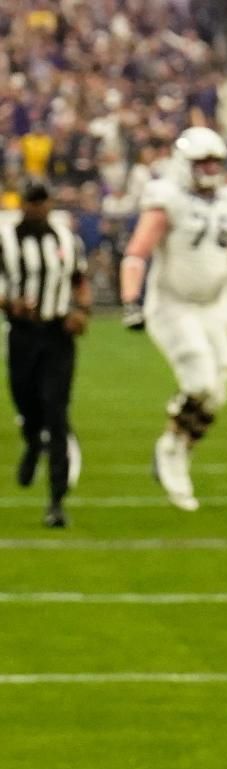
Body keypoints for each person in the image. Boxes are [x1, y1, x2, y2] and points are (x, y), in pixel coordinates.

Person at [119, 127, 227, 512]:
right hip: (173, 304)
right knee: (198, 381)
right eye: (204, 162)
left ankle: (180, 446)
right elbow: (137, 252)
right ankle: (170, 450)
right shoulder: (167, 198)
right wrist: (130, 300)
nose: (211, 169)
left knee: (216, 395)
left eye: (216, 162)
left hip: (212, 306)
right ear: (185, 164)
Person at [2, 183, 88, 528]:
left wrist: (82, 311)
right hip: (22, 334)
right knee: (25, 403)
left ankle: (56, 502)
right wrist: (11, 303)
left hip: (57, 334)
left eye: (42, 202)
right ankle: (32, 440)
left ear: (49, 204)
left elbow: (79, 279)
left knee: (57, 412)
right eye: (32, 202)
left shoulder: (66, 238)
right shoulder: (6, 239)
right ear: (23, 204)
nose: (37, 208)